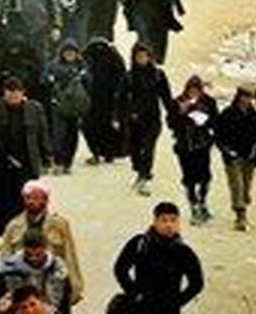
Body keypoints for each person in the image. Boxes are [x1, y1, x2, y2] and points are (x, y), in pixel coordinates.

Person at [0, 77, 52, 235]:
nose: (13, 96)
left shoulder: (35, 109)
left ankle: (26, 235)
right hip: (1, 165)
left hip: (27, 166)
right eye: (9, 92)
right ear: (4, 93)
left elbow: (43, 134)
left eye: (17, 92)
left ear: (23, 92)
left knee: (27, 202)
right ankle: (3, 234)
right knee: (1, 203)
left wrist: (47, 158)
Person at [0, 180, 83, 305]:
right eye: (28, 198)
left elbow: (70, 257)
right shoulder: (13, 226)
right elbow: (5, 258)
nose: (32, 202)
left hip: (53, 285)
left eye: (37, 198)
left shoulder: (59, 225)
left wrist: (75, 286)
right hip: (24, 287)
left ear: (46, 200)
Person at [112, 202, 204, 313]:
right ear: (155, 222)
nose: (169, 225)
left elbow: (197, 283)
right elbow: (120, 269)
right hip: (140, 308)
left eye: (173, 220)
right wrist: (134, 293)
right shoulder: (140, 244)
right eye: (164, 220)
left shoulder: (184, 252)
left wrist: (176, 302)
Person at [117, 44, 173, 196]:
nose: (142, 59)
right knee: (135, 151)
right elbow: (121, 98)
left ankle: (145, 176)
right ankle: (139, 170)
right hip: (134, 120)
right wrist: (119, 117)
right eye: (138, 57)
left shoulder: (158, 75)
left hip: (152, 119)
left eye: (144, 56)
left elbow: (166, 97)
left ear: (149, 57)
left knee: (148, 148)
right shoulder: (129, 76)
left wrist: (173, 115)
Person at [215, 83, 256, 231]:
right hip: (232, 156)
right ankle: (240, 215)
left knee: (245, 186)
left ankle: (244, 200)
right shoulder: (228, 114)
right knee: (236, 185)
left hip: (250, 157)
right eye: (244, 96)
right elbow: (218, 135)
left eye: (249, 97)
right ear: (238, 96)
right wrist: (226, 150)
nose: (247, 100)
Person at [168, 76, 219, 224]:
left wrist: (205, 120)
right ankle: (193, 205)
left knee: (205, 176)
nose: (194, 93)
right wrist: (181, 113)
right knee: (189, 177)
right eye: (191, 90)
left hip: (202, 144)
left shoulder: (209, 102)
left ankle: (203, 201)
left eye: (197, 90)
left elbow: (216, 121)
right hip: (184, 145)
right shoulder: (178, 102)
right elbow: (171, 123)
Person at [123, 0, 185, 65]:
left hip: (161, 16)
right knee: (144, 39)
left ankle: (157, 60)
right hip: (142, 15)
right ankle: (143, 62)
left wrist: (179, 8)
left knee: (160, 40)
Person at [45, 42, 89, 174]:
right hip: (58, 105)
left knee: (72, 136)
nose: (69, 54)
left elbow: (89, 84)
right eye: (67, 52)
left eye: (72, 52)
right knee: (59, 135)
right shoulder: (53, 66)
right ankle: (58, 161)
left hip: (75, 107)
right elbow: (44, 80)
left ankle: (67, 163)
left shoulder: (82, 67)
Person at [82, 38, 126, 165]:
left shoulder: (90, 59)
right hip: (105, 101)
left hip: (99, 101)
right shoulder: (114, 59)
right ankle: (107, 152)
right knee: (105, 128)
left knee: (92, 127)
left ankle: (99, 152)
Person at [0, 232, 71, 312]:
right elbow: (13, 297)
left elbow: (63, 300)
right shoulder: (12, 268)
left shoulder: (58, 268)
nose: (33, 259)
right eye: (28, 254)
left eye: (38, 255)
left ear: (45, 249)